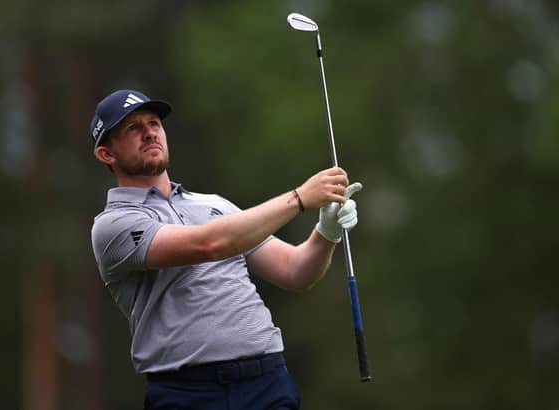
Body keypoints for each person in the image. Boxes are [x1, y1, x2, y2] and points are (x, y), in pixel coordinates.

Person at [90, 89, 362, 410]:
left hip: (267, 381)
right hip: (188, 393)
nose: (149, 132)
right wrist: (298, 198)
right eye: (133, 128)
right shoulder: (113, 225)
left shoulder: (215, 206)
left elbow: (294, 271)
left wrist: (326, 232)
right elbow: (209, 244)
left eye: (154, 123)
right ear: (107, 154)